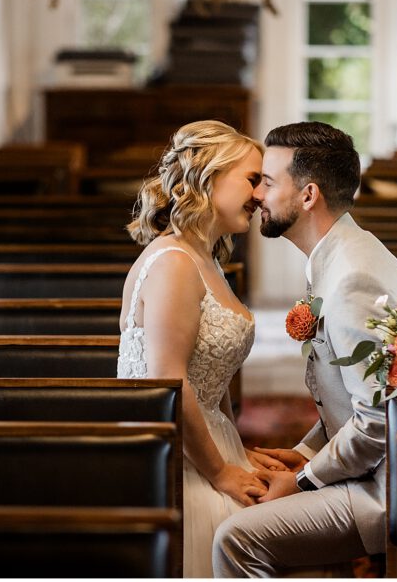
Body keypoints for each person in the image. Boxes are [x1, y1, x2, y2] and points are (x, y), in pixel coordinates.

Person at [212, 121, 397, 577]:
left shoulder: (350, 281)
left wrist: (303, 479)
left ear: (307, 196)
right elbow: (354, 399)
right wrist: (306, 451)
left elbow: (377, 421)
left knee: (235, 538)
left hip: (390, 486)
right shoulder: (340, 253)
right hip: (378, 464)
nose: (257, 195)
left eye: (267, 181)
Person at [117, 120, 283, 578]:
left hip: (206, 440)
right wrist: (220, 472)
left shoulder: (206, 257)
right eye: (254, 179)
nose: (262, 195)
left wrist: (238, 452)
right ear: (209, 176)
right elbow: (168, 380)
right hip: (178, 457)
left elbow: (212, 376)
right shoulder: (173, 263)